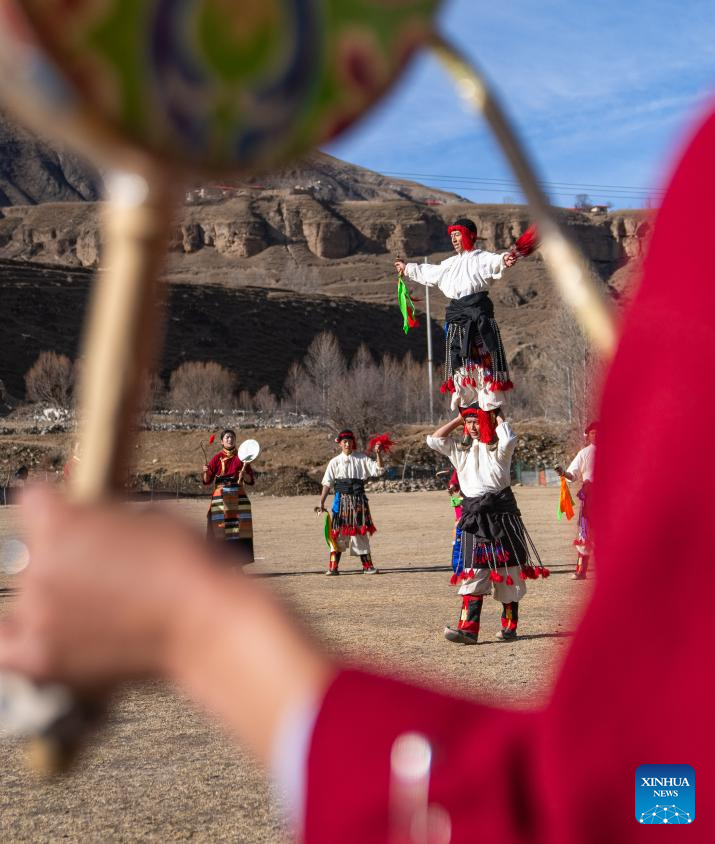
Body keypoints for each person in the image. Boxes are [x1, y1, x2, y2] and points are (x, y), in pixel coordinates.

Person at [1, 107, 713, 843]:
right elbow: (648, 796)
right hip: (410, 461)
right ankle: (461, 612)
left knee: (491, 564)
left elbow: (614, 799)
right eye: (463, 237)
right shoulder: (451, 281)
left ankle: (495, 616)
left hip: (485, 477)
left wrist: (198, 625)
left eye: (468, 238)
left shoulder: (491, 394)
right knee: (438, 547)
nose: (463, 241)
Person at [427, 406, 545, 643]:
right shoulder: (460, 452)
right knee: (473, 573)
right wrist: (458, 419)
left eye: (476, 421)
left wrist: (496, 413)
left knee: (508, 574)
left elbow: (509, 437)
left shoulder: (500, 451)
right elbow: (434, 440)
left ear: (487, 423)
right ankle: (468, 630)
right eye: (468, 422)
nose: (472, 427)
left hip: (502, 519)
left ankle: (509, 627)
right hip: (474, 520)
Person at [394, 218, 534, 408]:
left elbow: (496, 260)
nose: (453, 239)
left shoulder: (481, 257)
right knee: (459, 362)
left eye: (457, 234)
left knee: (485, 362)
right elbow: (429, 271)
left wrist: (504, 259)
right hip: (457, 317)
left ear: (470, 235)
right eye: (451, 236)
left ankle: (491, 402)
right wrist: (407, 268)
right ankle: (466, 398)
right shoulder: (449, 264)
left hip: (478, 317)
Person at [316, 430, 384, 574]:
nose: (347, 444)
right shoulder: (334, 462)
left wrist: (378, 453)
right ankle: (333, 567)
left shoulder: (362, 458)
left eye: (350, 441)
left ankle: (368, 566)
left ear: (353, 442)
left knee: (360, 533)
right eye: (344, 442)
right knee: (338, 533)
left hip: (359, 501)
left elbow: (377, 470)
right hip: (341, 502)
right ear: (340, 444)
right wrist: (321, 502)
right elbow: (327, 483)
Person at [202, 429, 255, 564]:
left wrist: (244, 475)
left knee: (240, 531)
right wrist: (205, 472)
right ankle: (220, 564)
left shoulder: (242, 458)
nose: (229, 440)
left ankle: (238, 564)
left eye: (232, 437)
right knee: (219, 530)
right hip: (221, 500)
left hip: (238, 497)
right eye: (227, 438)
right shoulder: (216, 458)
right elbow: (207, 481)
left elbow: (250, 481)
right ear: (221, 441)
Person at [556, 422, 597, 579]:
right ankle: (581, 570)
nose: (597, 435)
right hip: (590, 495)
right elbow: (573, 475)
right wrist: (564, 473)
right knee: (585, 532)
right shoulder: (584, 453)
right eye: (593, 433)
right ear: (588, 436)